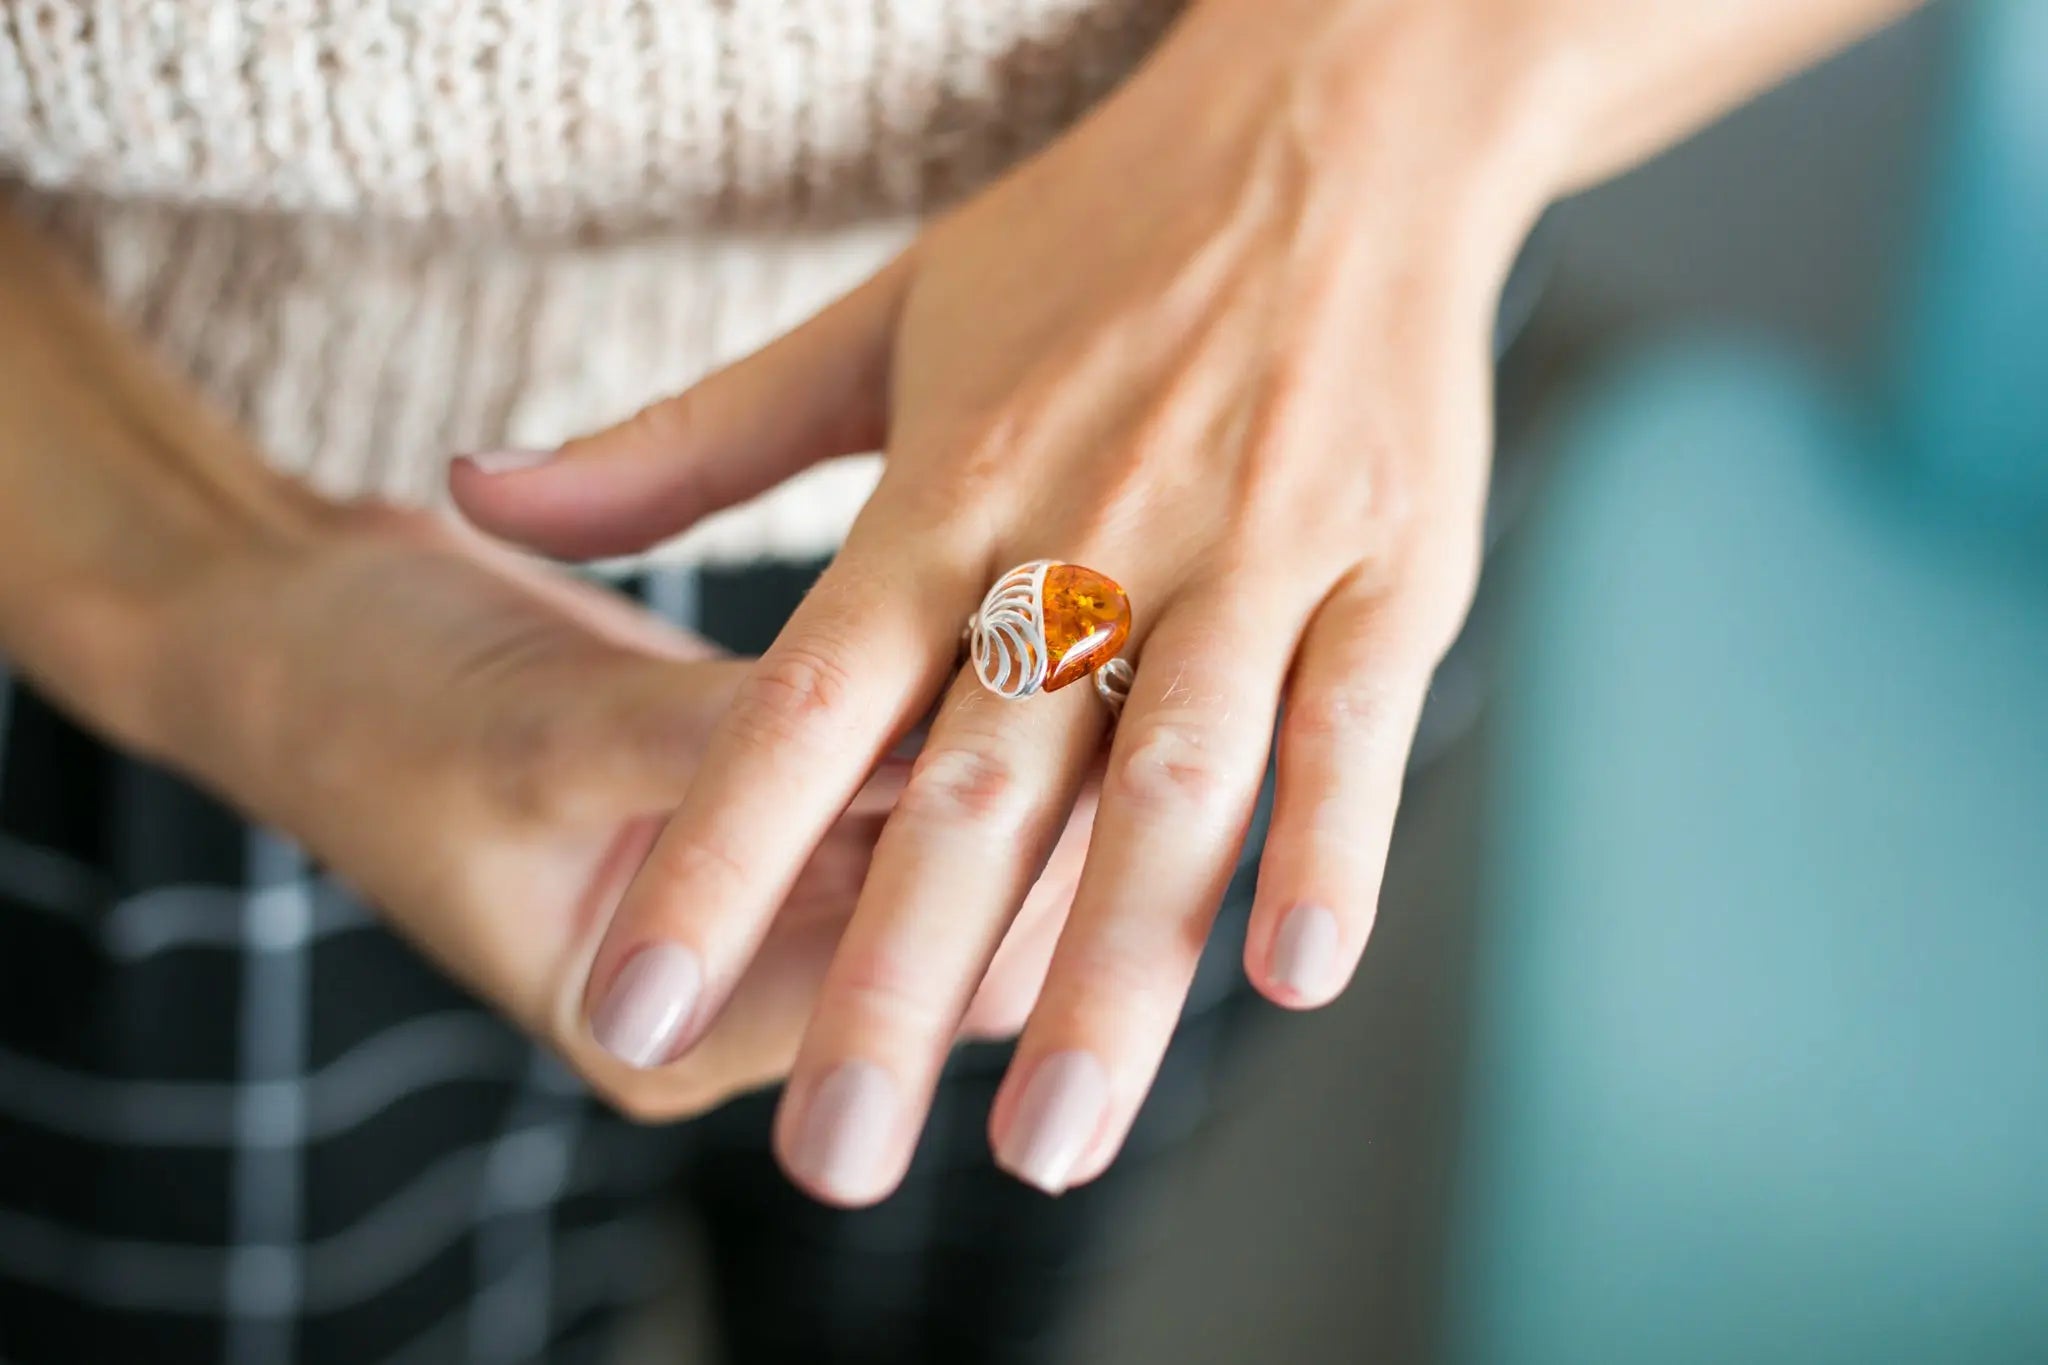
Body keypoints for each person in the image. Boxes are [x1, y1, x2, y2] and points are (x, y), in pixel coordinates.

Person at [0, 0, 1921, 1360]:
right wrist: (193, 590)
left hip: (1259, 457)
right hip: (126, 530)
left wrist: (1349, 115)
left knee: (983, 1250)